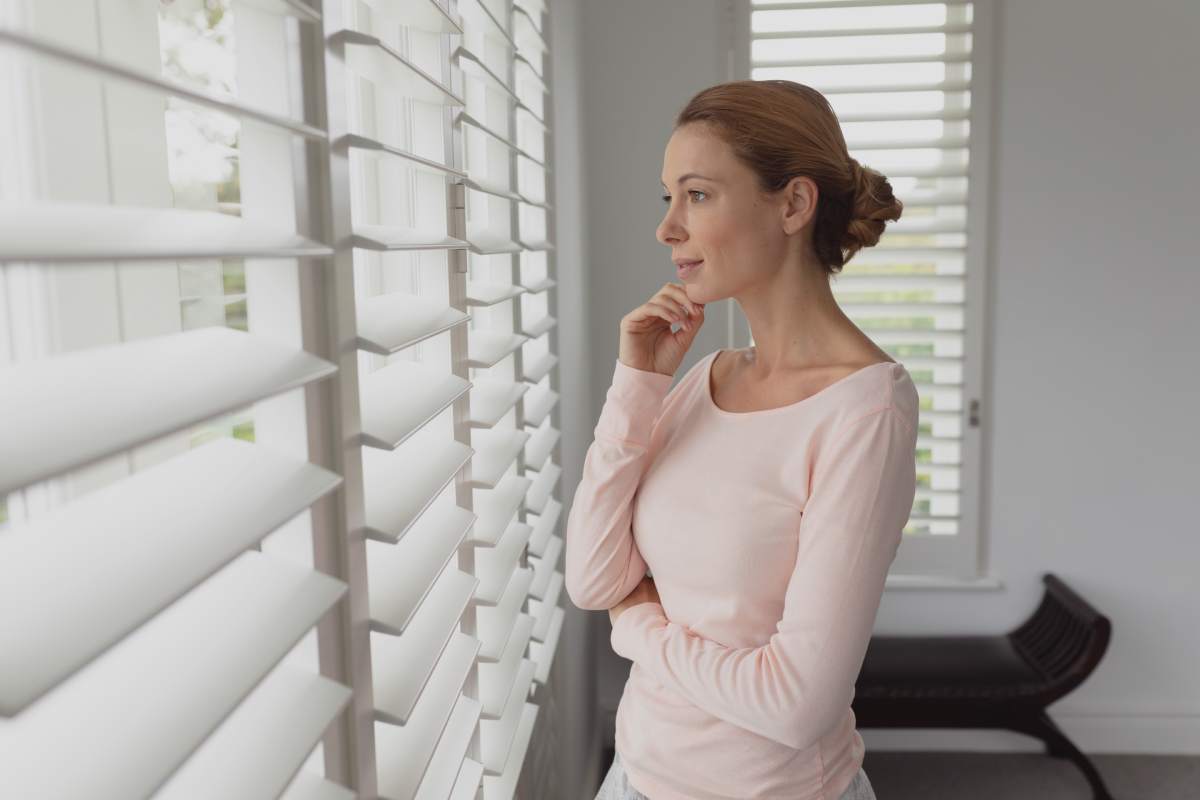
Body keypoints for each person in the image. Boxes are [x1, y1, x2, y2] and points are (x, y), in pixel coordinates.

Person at [564, 79, 918, 800]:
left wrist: (638, 630)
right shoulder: (705, 378)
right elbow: (594, 579)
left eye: (696, 195)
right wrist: (637, 384)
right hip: (635, 778)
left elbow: (794, 704)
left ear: (792, 204)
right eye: (667, 198)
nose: (668, 229)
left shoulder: (865, 411)